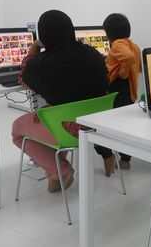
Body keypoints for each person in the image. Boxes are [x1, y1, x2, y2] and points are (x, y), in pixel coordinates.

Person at [12, 10, 109, 192]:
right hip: (97, 126)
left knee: (17, 130)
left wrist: (35, 47)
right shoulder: (94, 55)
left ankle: (60, 170)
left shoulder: (41, 65)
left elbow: (23, 77)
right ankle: (57, 168)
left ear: (44, 35)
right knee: (55, 111)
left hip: (67, 129)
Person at [94, 13, 141, 174]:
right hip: (129, 92)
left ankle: (107, 156)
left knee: (103, 125)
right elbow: (136, 64)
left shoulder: (117, 45)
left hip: (117, 90)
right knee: (125, 127)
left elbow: (128, 58)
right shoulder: (132, 44)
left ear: (108, 33)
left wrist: (122, 72)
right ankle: (125, 161)